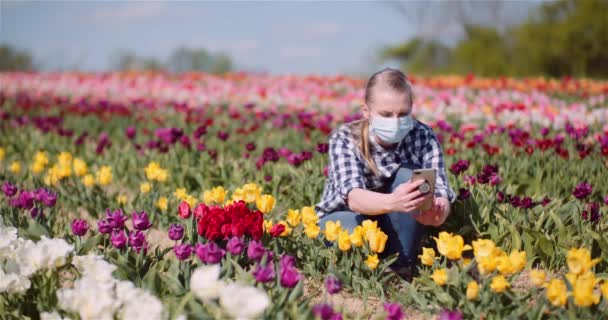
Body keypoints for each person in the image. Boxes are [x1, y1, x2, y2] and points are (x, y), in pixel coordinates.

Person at [314, 67, 456, 280]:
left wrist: (439, 211)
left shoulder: (422, 136)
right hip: (347, 216)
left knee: (411, 177)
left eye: (403, 113)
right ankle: (365, 273)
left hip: (397, 223)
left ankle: (402, 266)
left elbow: (441, 188)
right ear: (366, 111)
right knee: (351, 230)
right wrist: (394, 201)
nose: (396, 122)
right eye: (386, 114)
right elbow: (353, 198)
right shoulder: (345, 138)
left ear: (412, 108)